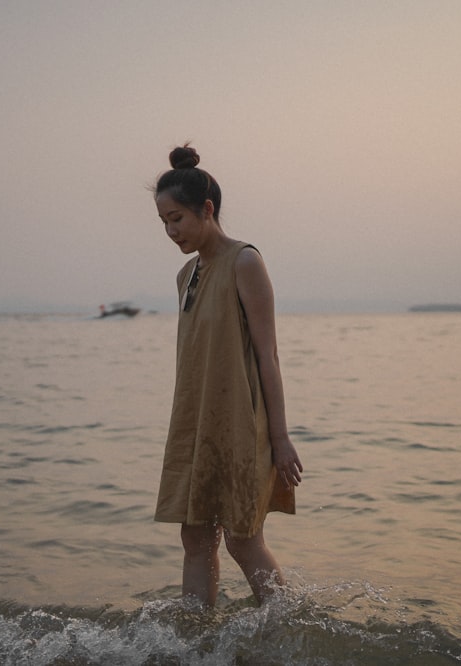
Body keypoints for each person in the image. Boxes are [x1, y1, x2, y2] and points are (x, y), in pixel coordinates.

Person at [152, 144, 303, 608]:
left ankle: (285, 627)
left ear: (207, 209)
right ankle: (196, 644)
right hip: (196, 425)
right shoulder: (186, 274)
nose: (170, 230)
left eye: (177, 218)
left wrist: (280, 438)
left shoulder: (245, 262)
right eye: (164, 223)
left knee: (242, 539)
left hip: (243, 424)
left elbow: (268, 357)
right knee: (195, 538)